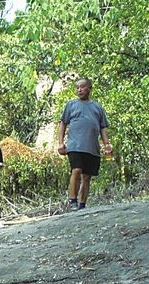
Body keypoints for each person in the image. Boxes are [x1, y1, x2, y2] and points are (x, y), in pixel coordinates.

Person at [56, 78, 111, 210]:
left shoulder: (97, 107)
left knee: (87, 176)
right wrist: (60, 143)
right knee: (76, 170)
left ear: (89, 88)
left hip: (92, 147)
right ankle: (73, 201)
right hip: (75, 145)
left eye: (82, 87)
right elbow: (63, 123)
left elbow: (103, 127)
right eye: (77, 87)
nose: (79, 90)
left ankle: (82, 205)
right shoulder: (71, 105)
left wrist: (107, 145)